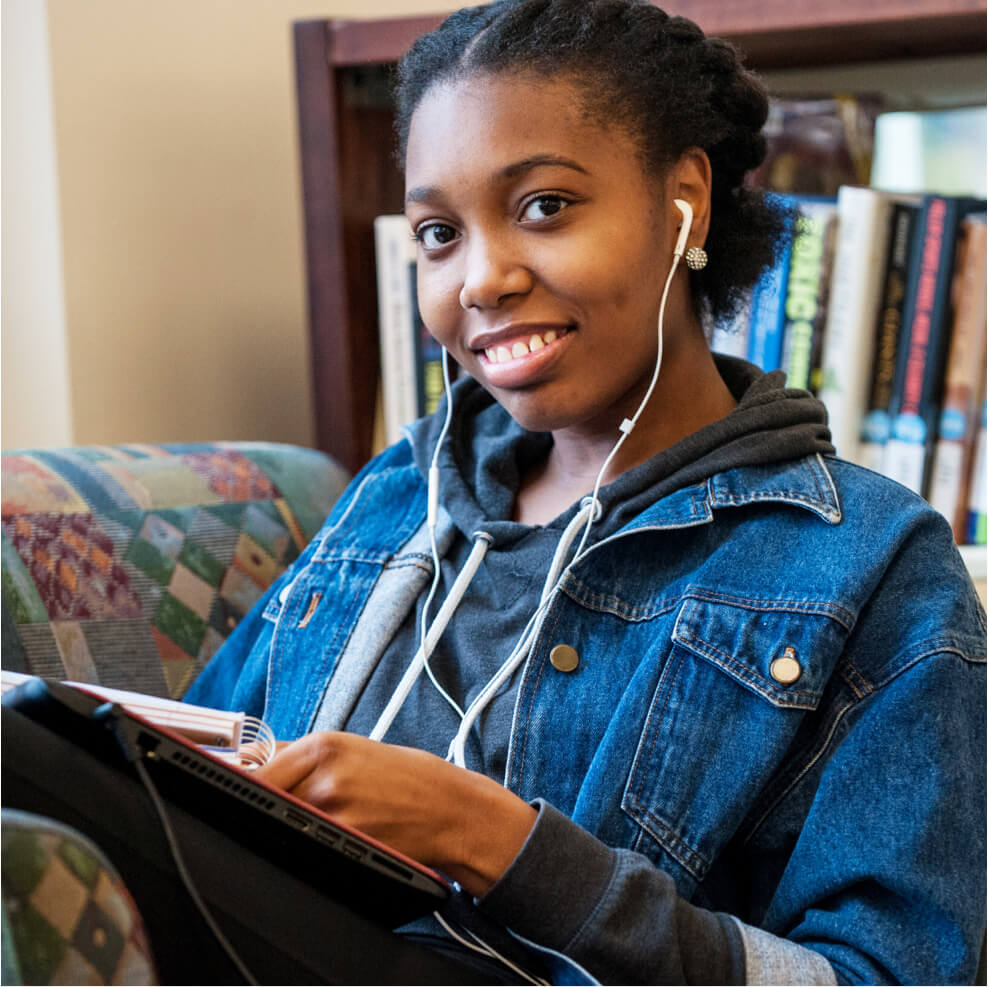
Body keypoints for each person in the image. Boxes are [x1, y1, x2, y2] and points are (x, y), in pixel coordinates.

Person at [187, 0, 987, 982]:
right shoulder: (398, 494)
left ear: (683, 200)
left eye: (543, 207)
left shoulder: (864, 562)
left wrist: (501, 845)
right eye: (440, 232)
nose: (480, 279)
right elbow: (184, 779)